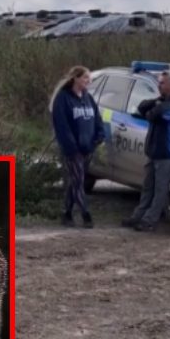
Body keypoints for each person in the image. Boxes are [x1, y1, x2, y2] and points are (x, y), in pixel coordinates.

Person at [122, 71, 170, 232]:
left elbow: (156, 115)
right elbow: (143, 107)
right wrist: (155, 103)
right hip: (154, 151)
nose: (159, 86)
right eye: (159, 83)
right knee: (147, 187)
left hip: (167, 152)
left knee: (160, 189)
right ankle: (139, 216)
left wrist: (154, 109)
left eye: (162, 83)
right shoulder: (162, 101)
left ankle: (150, 221)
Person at [50, 66, 105, 228]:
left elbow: (97, 119)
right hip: (73, 150)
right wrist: (72, 147)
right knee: (79, 181)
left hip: (88, 148)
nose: (89, 81)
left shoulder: (88, 98)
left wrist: (99, 136)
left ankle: (66, 214)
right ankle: (85, 214)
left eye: (89, 78)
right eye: (85, 78)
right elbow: (62, 126)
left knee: (75, 182)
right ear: (76, 78)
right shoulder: (63, 98)